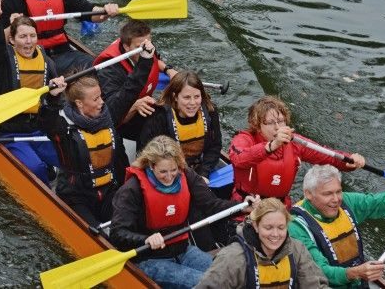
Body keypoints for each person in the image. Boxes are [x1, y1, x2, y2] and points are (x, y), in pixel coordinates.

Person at [109, 136, 253, 289]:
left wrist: (241, 207)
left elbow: (211, 205)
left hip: (183, 250)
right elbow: (117, 233)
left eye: (173, 170)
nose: (169, 176)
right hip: (149, 258)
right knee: (209, 284)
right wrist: (145, 239)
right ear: (151, 165)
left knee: (229, 275)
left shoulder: (187, 175)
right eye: (163, 171)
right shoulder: (132, 189)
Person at [38, 41, 156, 226]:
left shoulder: (108, 114)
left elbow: (130, 89)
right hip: (77, 198)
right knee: (94, 231)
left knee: (137, 219)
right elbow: (47, 120)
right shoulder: (64, 127)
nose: (102, 101)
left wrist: (146, 60)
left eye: (100, 96)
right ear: (79, 104)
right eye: (96, 99)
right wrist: (52, 97)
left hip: (109, 191)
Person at [288, 165, 385, 289]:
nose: (336, 199)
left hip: (356, 281)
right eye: (328, 194)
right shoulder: (296, 226)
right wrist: (355, 273)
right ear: (308, 194)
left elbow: (382, 202)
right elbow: (319, 271)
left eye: (338, 191)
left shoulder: (347, 202)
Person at [230, 96, 366, 209]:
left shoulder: (295, 143)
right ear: (257, 126)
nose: (278, 127)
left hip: (281, 208)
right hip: (248, 208)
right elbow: (239, 159)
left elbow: (327, 156)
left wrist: (349, 161)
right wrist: (272, 145)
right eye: (270, 123)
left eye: (281, 121)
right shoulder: (244, 139)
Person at [0, 11, 60, 184]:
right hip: (8, 131)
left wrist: (55, 97)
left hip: (37, 129)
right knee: (36, 168)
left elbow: (52, 110)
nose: (29, 41)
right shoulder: (2, 60)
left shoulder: (48, 63)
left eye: (32, 36)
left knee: (68, 158)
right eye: (23, 36)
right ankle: (47, 195)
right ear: (12, 40)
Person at [196, 197, 330, 288]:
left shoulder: (297, 250)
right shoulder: (233, 258)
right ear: (255, 226)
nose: (275, 235)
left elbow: (315, 285)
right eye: (268, 227)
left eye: (281, 227)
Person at [94, 20, 178, 140]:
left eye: (148, 45)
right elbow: (112, 116)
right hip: (121, 120)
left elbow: (154, 59)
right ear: (126, 47)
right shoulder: (110, 70)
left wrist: (168, 70)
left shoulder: (147, 46)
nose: (146, 50)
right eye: (139, 48)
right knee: (154, 127)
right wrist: (134, 106)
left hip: (143, 105)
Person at [138, 71, 222, 180]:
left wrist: (203, 173)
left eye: (196, 97)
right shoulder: (159, 116)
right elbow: (147, 154)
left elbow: (215, 147)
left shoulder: (210, 111)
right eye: (186, 97)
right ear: (175, 97)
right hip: (168, 174)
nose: (192, 103)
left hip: (197, 170)